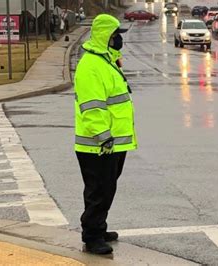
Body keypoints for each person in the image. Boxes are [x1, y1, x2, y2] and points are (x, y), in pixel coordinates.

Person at [73, 14, 136, 255]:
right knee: (98, 190)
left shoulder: (106, 61)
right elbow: (92, 107)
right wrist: (103, 136)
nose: (119, 39)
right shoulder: (91, 66)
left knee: (107, 187)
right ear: (105, 37)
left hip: (112, 143)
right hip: (98, 144)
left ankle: (99, 227)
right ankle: (92, 236)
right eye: (116, 35)